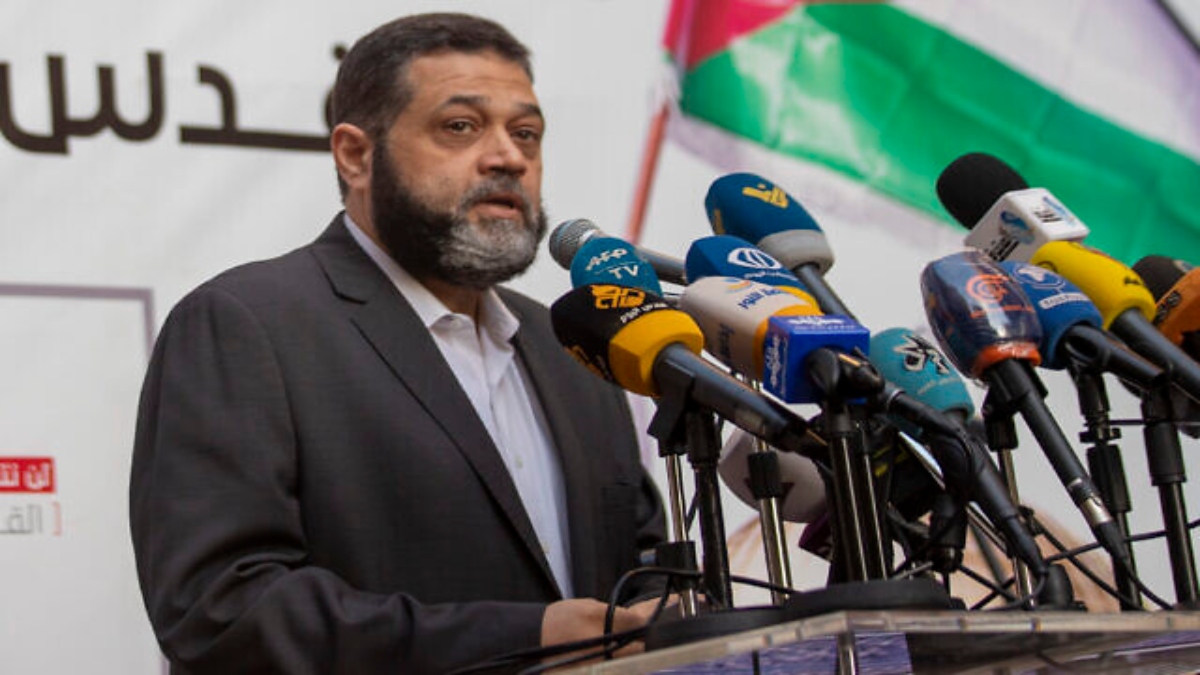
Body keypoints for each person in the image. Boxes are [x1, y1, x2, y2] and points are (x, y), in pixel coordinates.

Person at [130, 12, 666, 674]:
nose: (508, 156)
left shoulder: (571, 344)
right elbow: (221, 608)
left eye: (526, 132)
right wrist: (526, 638)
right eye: (460, 127)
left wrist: (659, 610)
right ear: (356, 154)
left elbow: (638, 556)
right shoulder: (247, 324)